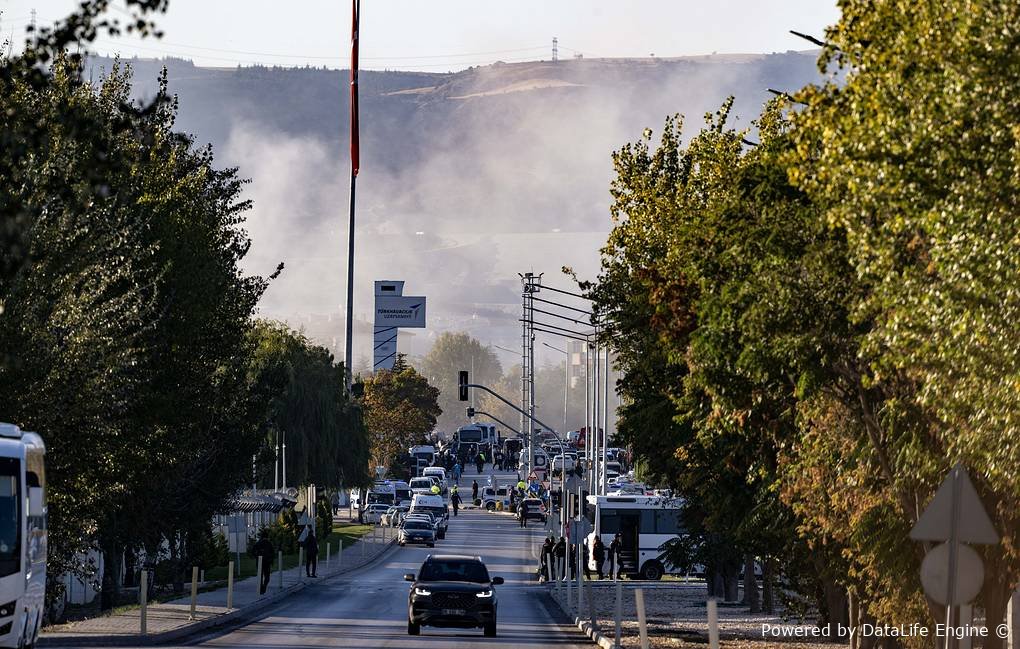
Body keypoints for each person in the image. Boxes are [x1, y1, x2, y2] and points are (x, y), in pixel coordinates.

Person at [252, 530, 275, 594]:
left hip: (259, 562)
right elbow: (272, 553)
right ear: (267, 537)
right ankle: (264, 587)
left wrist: (257, 556)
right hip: (267, 562)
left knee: (260, 576)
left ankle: (260, 588)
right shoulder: (269, 544)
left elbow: (253, 551)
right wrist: (271, 560)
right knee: (267, 576)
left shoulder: (258, 543)